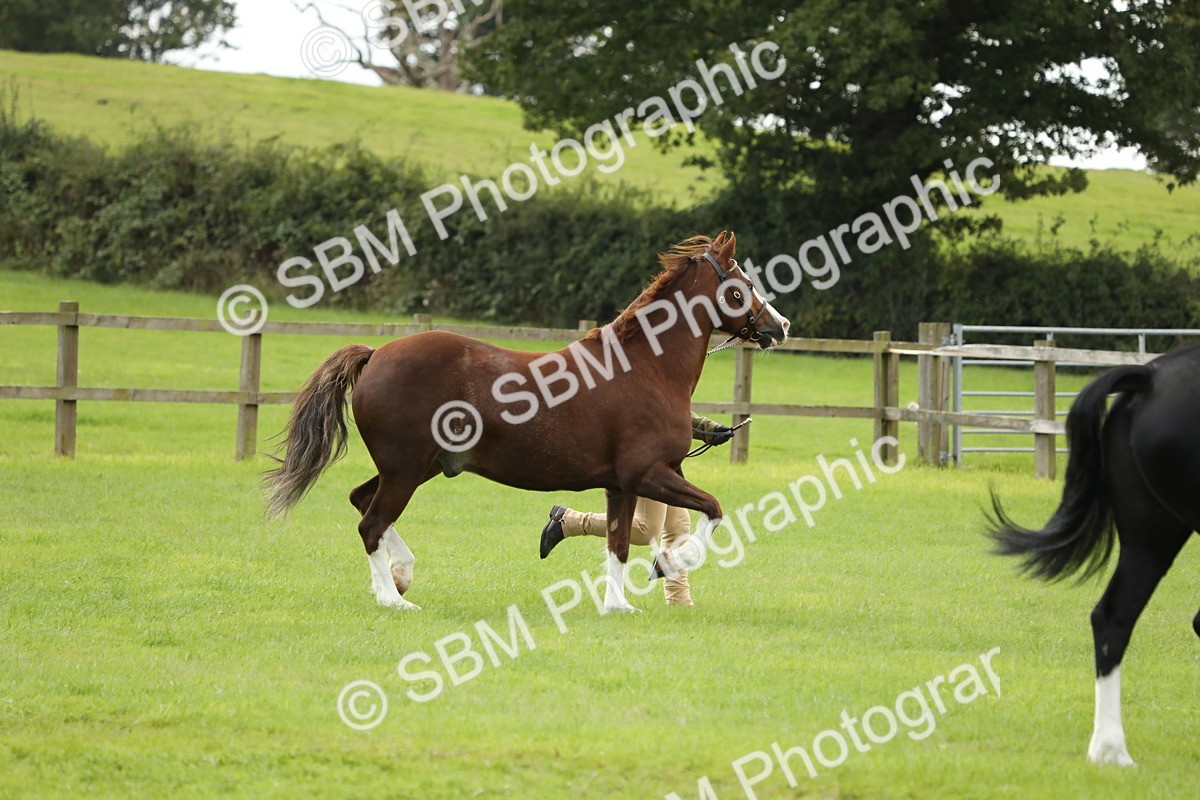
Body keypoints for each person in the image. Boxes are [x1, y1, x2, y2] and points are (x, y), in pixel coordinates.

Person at [538, 413, 734, 606]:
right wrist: (708, 429)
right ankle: (569, 521)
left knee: (678, 524)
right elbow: (660, 405)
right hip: (648, 461)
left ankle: (678, 599)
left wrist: (710, 430)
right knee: (645, 530)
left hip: (662, 459)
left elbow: (673, 407)